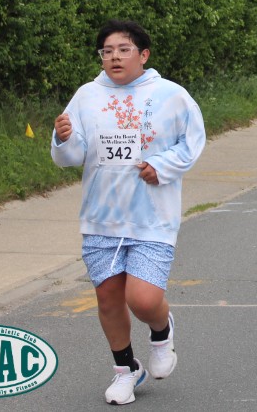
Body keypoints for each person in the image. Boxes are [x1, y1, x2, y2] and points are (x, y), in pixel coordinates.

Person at [51, 20, 206, 405]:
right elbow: (72, 156)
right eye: (107, 51)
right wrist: (64, 137)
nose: (114, 57)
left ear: (143, 55)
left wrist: (162, 166)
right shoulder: (87, 95)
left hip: (152, 216)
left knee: (143, 300)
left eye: (123, 50)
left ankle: (161, 332)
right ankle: (125, 370)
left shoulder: (171, 95)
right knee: (108, 298)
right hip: (101, 216)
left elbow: (192, 141)